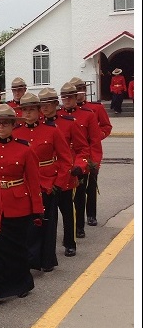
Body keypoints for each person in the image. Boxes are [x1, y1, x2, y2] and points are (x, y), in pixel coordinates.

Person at [0, 104, 43, 305]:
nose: (1, 127)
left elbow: (34, 181)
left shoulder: (24, 149)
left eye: (5, 123)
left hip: (18, 203)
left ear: (13, 125)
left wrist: (37, 210)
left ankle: (22, 283)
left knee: (18, 248)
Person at [13, 92, 72, 272]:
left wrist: (58, 184)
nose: (28, 113)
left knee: (47, 223)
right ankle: (28, 259)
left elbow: (65, 159)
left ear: (39, 111)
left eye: (32, 109)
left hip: (47, 183)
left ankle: (46, 259)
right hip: (24, 185)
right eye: (25, 110)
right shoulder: (16, 132)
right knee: (27, 226)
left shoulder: (52, 131)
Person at [38, 87, 91, 257]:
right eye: (41, 104)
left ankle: (69, 242)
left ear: (55, 103)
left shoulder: (69, 123)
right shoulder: (36, 125)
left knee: (67, 210)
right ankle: (46, 249)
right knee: (45, 216)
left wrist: (79, 165)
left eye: (47, 104)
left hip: (64, 174)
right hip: (44, 177)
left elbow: (83, 148)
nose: (44, 107)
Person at [58, 82, 103, 240]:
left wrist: (94, 162)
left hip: (80, 161)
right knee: (64, 199)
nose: (67, 100)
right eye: (64, 97)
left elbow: (94, 142)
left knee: (79, 196)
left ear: (76, 97)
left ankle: (79, 226)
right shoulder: (57, 116)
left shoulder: (88, 114)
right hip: (63, 162)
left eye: (70, 97)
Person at [71, 77, 111, 228]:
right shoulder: (68, 110)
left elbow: (106, 126)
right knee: (79, 187)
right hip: (75, 153)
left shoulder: (96, 108)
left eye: (80, 90)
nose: (78, 94)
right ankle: (78, 216)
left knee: (91, 185)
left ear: (84, 91)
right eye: (75, 91)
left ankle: (91, 215)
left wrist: (98, 135)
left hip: (92, 150)